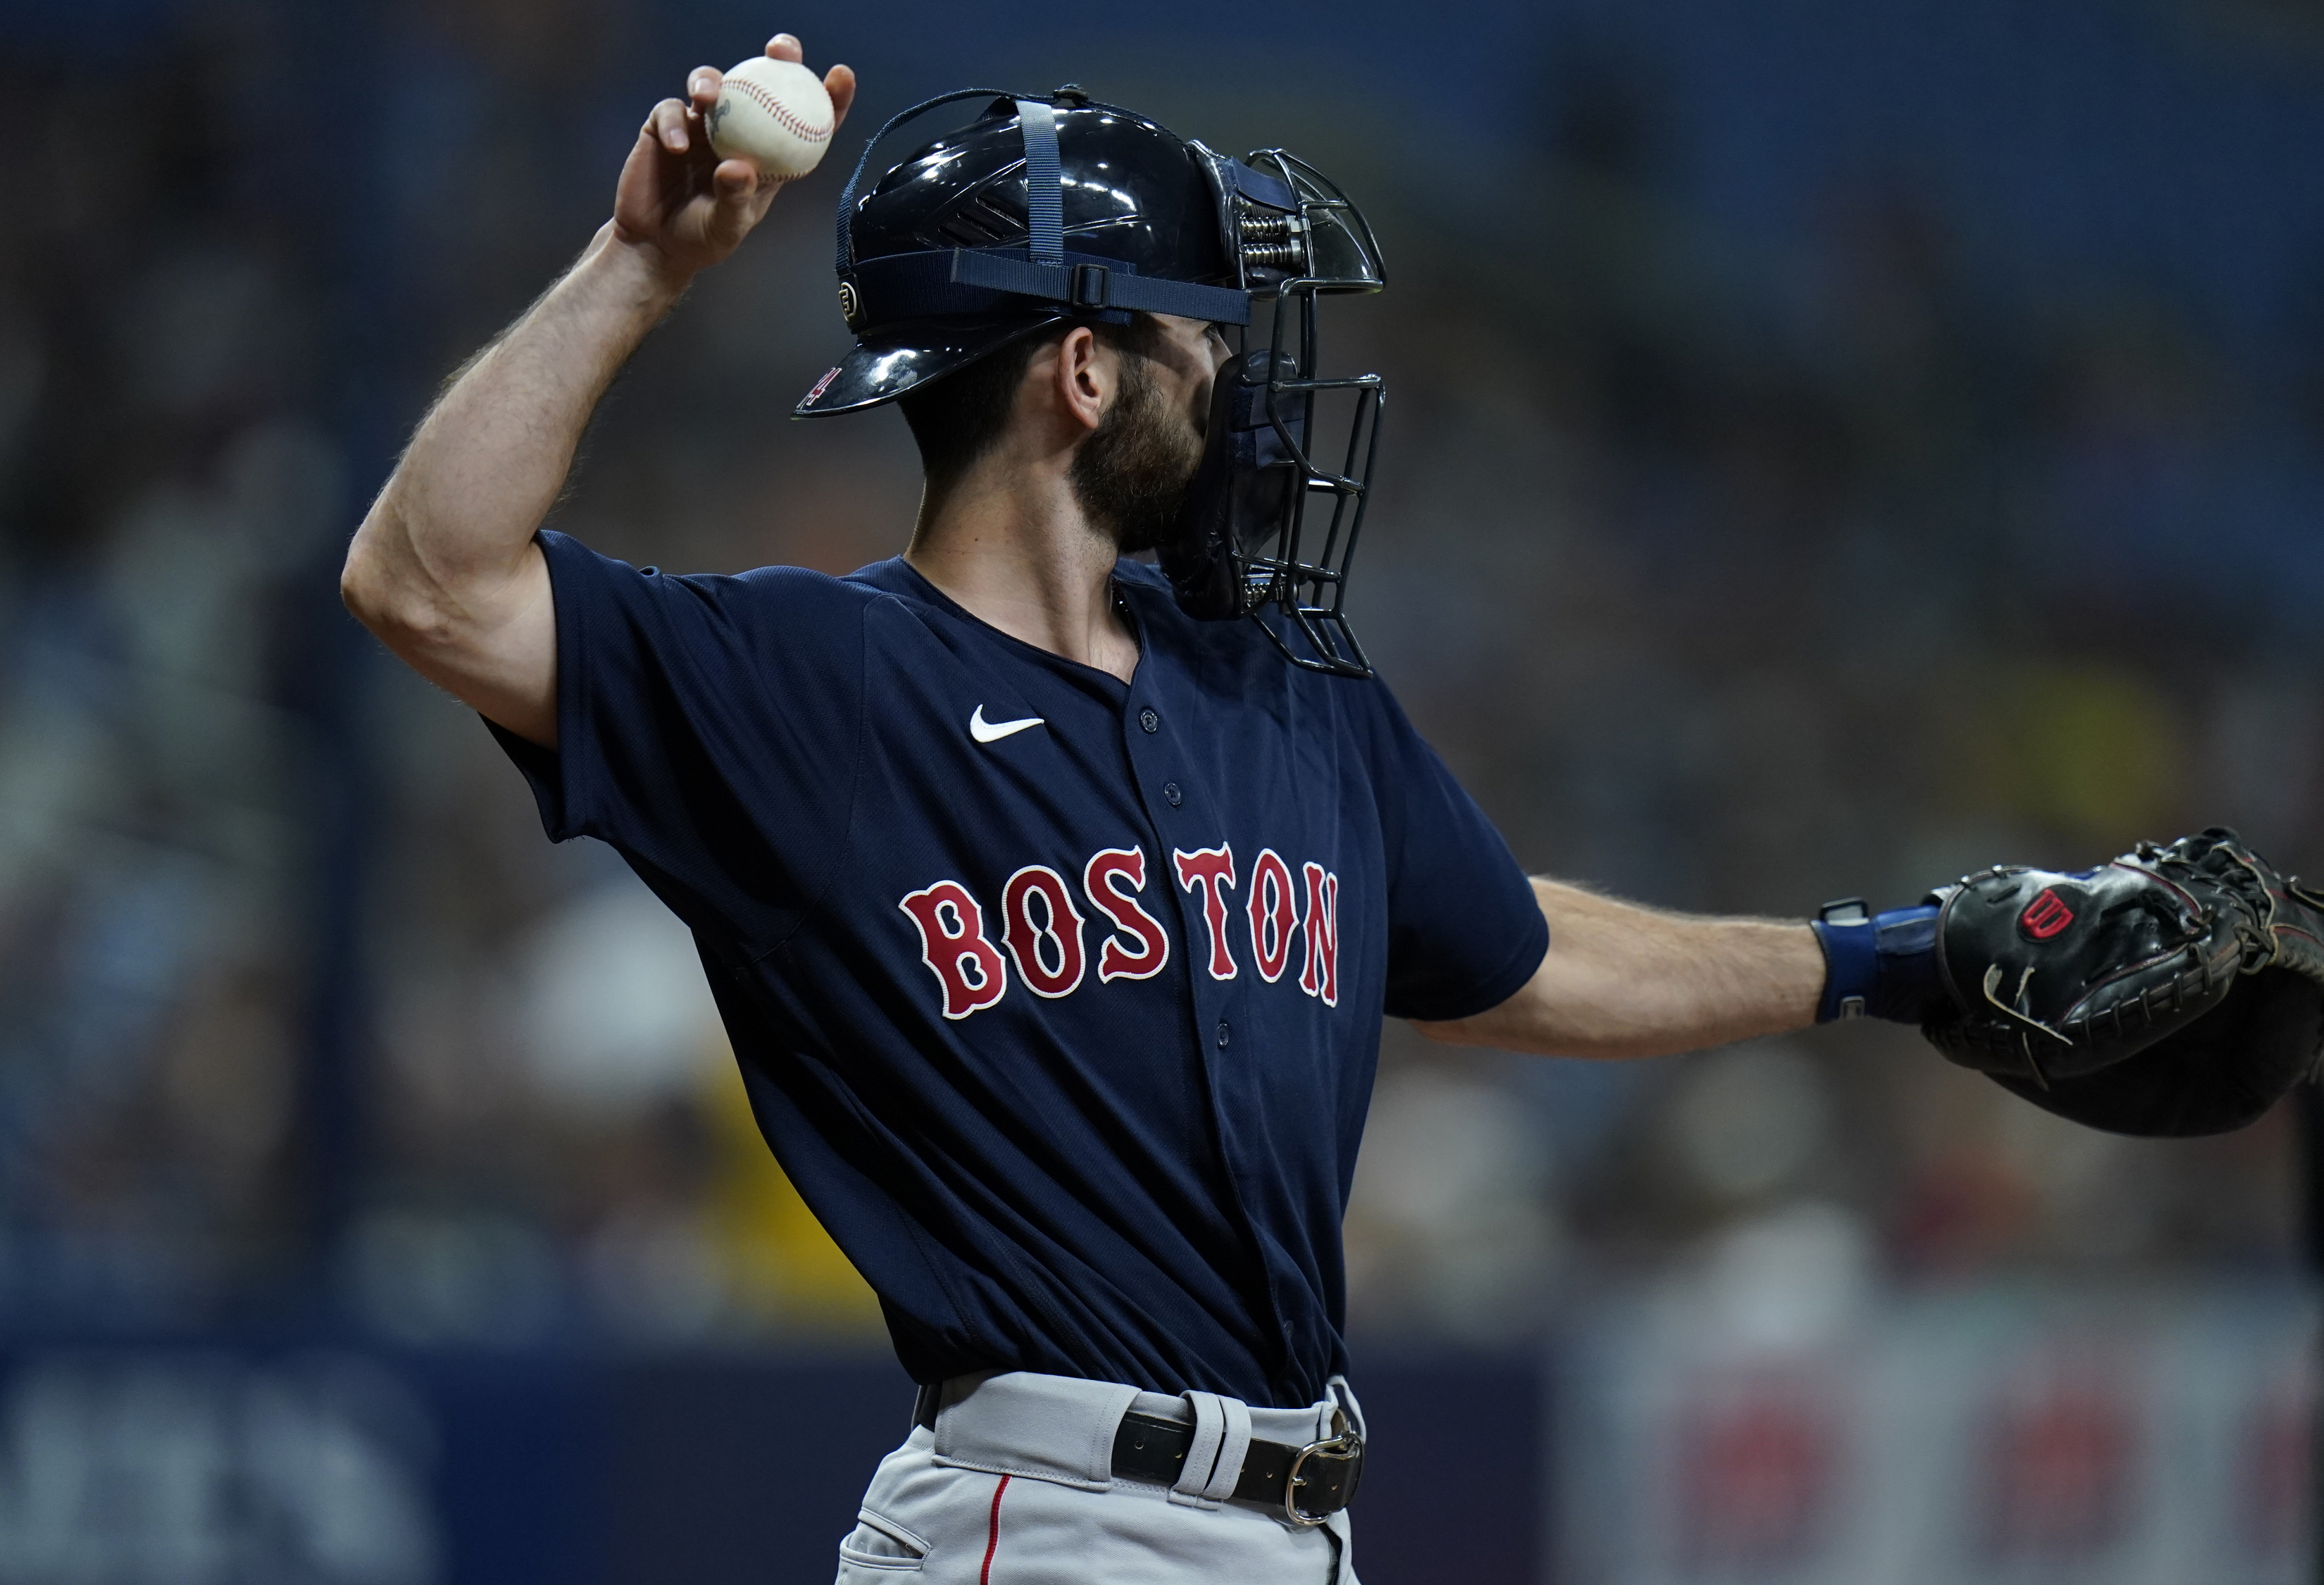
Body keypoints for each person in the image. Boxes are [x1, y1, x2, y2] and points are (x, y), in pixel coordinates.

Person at [339, 34, 2323, 1584]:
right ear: (1083, 375)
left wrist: (1887, 959)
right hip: (1049, 1509)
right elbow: (425, 577)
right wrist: (633, 267)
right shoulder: (806, 688)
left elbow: (1508, 953)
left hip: (1296, 1518)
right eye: (1203, 329)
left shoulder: (1271, 688)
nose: (1251, 376)